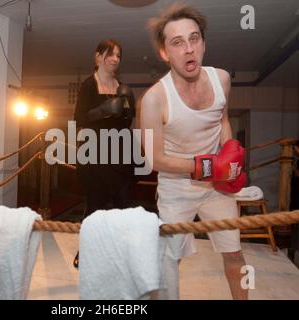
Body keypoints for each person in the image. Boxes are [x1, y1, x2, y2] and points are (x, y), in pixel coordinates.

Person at [140, 3, 248, 299]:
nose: (188, 48)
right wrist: (208, 166)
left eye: (194, 38)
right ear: (165, 53)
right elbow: (155, 159)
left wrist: (229, 152)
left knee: (235, 255)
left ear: (203, 43)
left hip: (218, 188)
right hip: (177, 189)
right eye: (177, 42)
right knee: (167, 264)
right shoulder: (154, 100)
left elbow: (222, 119)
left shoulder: (222, 79)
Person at [73, 39, 136, 268]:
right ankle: (85, 250)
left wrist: (129, 113)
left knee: (123, 205)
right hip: (95, 153)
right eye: (110, 54)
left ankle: (121, 253)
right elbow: (78, 119)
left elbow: (124, 124)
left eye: (118, 55)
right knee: (95, 205)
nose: (115, 59)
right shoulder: (89, 85)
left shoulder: (121, 86)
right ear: (98, 57)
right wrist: (102, 110)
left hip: (119, 152)